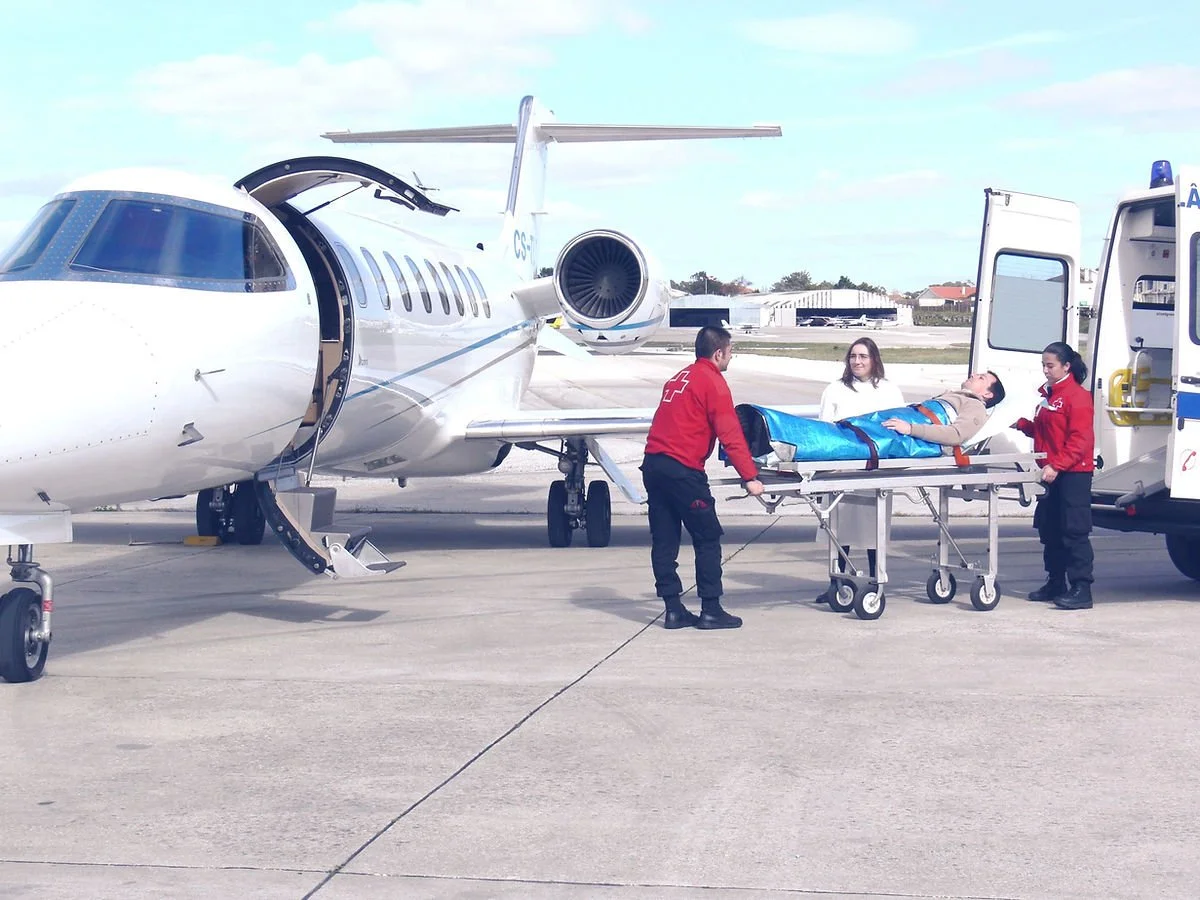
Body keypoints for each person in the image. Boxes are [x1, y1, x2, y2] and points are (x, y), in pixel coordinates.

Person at [642, 326, 764, 630]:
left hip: (654, 466)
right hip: (683, 471)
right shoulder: (713, 382)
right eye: (730, 351)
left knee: (665, 540)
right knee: (707, 537)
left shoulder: (677, 379)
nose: (731, 357)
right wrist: (750, 476)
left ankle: (673, 609)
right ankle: (711, 608)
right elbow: (730, 433)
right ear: (719, 352)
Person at [814, 338, 904, 604]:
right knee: (839, 532)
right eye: (853, 356)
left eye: (863, 356)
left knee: (874, 531)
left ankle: (877, 583)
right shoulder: (835, 389)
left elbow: (897, 426)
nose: (857, 361)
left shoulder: (888, 390)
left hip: (876, 469)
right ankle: (837, 584)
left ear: (873, 359)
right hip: (842, 469)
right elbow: (825, 428)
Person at [1011, 342, 1095, 610]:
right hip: (1049, 472)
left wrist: (1057, 465)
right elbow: (1047, 432)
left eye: (1050, 366)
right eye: (1043, 366)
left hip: (1072, 473)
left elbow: (1080, 440)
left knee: (1074, 531)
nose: (1045, 371)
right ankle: (1055, 581)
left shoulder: (1077, 397)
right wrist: (1022, 425)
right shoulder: (1049, 396)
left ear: (1066, 366)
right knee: (1050, 529)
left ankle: (1081, 588)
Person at [880, 370, 1006, 446]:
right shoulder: (955, 397)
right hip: (901, 419)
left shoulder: (975, 406)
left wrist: (910, 429)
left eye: (981, 378)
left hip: (905, 429)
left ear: (987, 394)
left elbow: (956, 435)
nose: (973, 375)